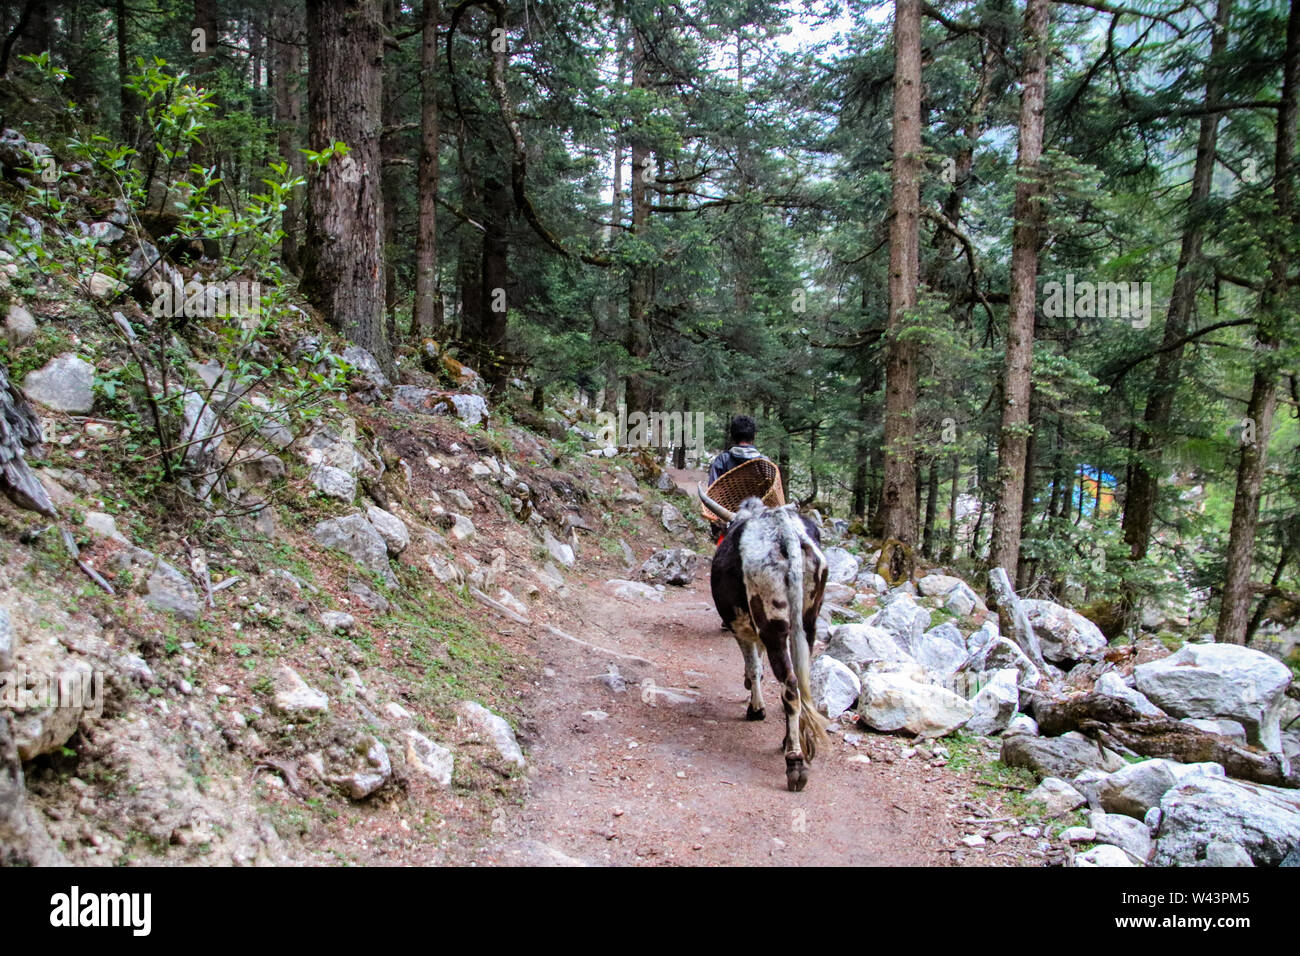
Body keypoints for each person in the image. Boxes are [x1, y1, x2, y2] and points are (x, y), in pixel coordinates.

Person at [706, 415, 768, 544]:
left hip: (729, 526)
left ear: (733, 436)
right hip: (759, 526)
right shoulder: (765, 462)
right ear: (754, 436)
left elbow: (712, 494)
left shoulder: (722, 460)